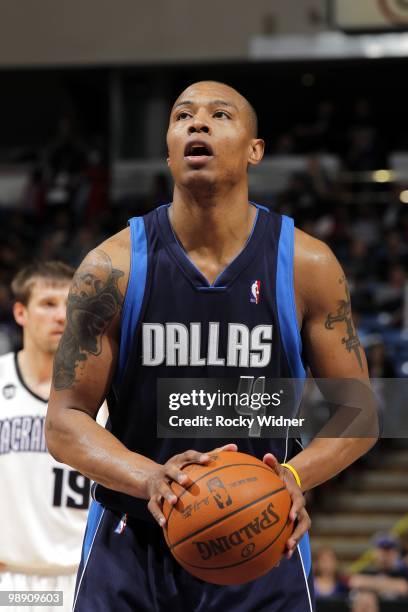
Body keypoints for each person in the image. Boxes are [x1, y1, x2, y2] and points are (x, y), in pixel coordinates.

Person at [46, 81, 377, 612]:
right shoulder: (112, 267)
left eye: (219, 114)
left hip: (261, 535)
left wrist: (291, 477)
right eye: (182, 116)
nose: (197, 123)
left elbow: (359, 415)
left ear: (255, 150)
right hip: (133, 537)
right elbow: (65, 421)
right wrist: (149, 477)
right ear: (169, 148)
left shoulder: (307, 266)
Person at [0, 262, 100, 612]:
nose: (61, 316)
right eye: (47, 304)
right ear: (20, 312)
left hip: (83, 573)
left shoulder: (101, 392)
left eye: (69, 304)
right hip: (12, 577)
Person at [349, 534, 408, 600]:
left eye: (388, 551)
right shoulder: (367, 571)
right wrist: (390, 584)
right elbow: (356, 582)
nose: (384, 555)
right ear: (374, 553)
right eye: (381, 551)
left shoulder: (403, 572)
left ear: (396, 553)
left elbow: (403, 587)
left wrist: (370, 583)